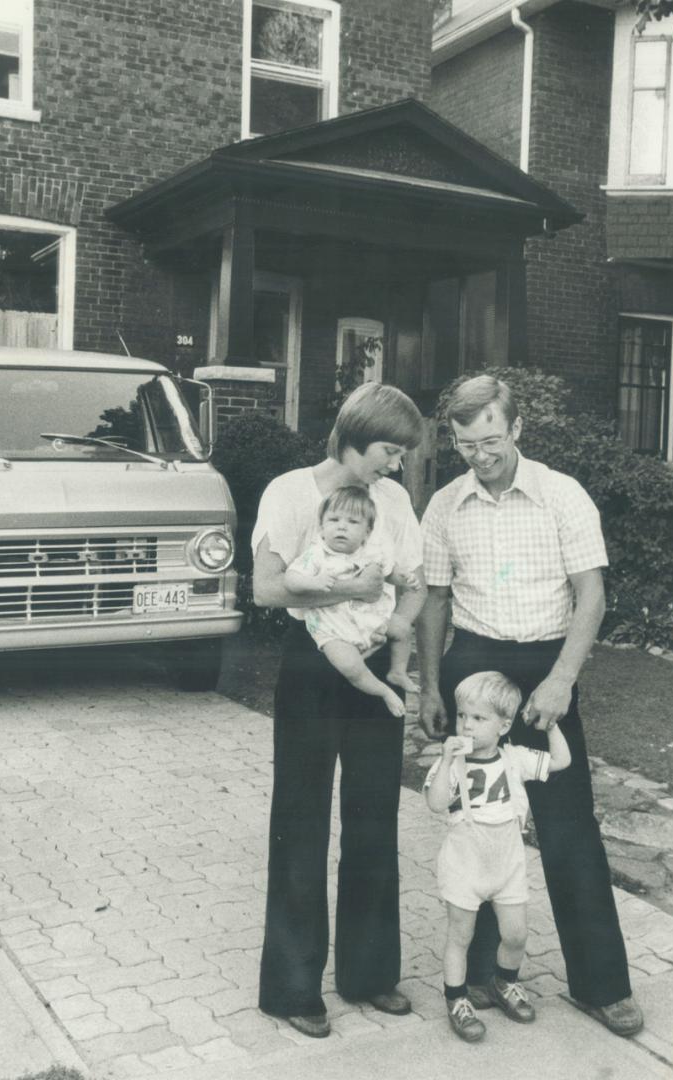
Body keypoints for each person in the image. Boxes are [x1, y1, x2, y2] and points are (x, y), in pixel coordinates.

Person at [415, 374, 645, 1038]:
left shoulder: (561, 495)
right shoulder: (444, 506)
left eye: (490, 439)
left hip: (547, 663)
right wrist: (429, 685)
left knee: (568, 825)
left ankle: (602, 986)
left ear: (514, 428)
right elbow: (434, 599)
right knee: (482, 822)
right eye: (464, 443)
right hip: (476, 663)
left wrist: (562, 679)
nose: (479, 455)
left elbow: (591, 595)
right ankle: (484, 973)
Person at [251, 382, 428, 1038]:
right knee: (300, 821)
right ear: (355, 436)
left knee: (374, 815)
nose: (397, 463)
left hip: (376, 664)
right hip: (313, 664)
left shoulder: (395, 500)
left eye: (403, 454)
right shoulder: (291, 492)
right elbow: (268, 589)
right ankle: (295, 988)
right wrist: (346, 594)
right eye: (390, 449)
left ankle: (370, 975)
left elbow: (411, 585)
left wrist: (395, 626)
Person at [423, 671, 571, 1043]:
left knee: (516, 934)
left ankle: (504, 982)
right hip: (465, 863)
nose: (467, 725)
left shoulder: (515, 758)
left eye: (479, 718)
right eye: (462, 716)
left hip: (506, 864)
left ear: (504, 725)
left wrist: (550, 725)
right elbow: (436, 804)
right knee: (461, 934)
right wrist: (443, 760)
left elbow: (562, 761)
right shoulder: (454, 764)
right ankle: (456, 1000)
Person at [283, 486, 416, 718]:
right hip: (333, 629)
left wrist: (406, 578)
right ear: (322, 528)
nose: (342, 526)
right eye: (333, 520)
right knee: (351, 667)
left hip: (372, 621)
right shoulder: (316, 555)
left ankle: (398, 671)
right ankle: (384, 691)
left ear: (367, 532)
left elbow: (390, 572)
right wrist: (314, 582)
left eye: (353, 522)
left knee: (403, 628)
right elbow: (291, 579)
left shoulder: (371, 552)